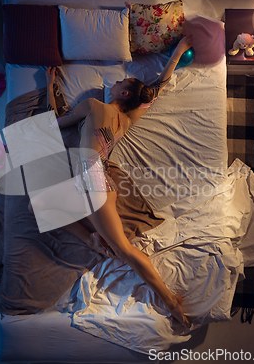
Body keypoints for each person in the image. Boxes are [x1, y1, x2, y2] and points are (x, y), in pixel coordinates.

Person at [29, 35, 194, 328]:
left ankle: (170, 301)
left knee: (123, 250)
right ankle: (92, 238)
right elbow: (158, 87)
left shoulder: (94, 105)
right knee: (39, 205)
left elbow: (54, 124)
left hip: (92, 179)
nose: (113, 84)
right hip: (99, 179)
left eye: (120, 83)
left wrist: (49, 86)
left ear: (125, 94)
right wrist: (178, 51)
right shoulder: (126, 122)